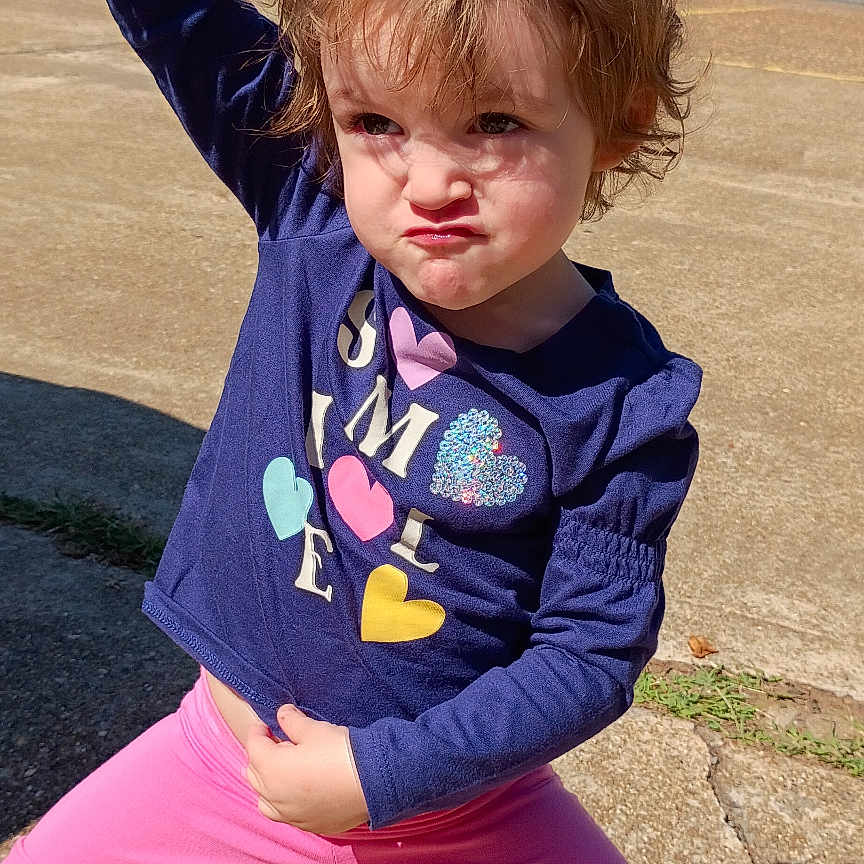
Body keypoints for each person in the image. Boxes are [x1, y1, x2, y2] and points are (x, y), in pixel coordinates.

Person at [7, 0, 704, 861]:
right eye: (376, 121)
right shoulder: (315, 214)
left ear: (619, 123)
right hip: (220, 764)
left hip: (460, 816)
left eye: (495, 122)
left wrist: (383, 775)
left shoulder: (622, 405)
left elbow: (590, 654)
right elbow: (179, 20)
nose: (429, 183)